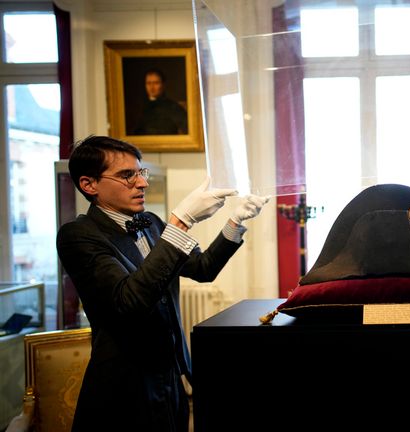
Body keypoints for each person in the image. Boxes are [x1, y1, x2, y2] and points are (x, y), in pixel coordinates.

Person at [57, 135, 269, 431]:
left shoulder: (152, 224)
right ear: (89, 184)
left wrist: (235, 222)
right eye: (126, 175)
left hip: (171, 375)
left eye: (140, 173)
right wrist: (181, 222)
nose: (142, 183)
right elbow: (128, 301)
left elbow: (203, 268)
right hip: (125, 385)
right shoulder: (78, 235)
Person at [133, 68, 188, 135]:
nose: (152, 87)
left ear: (163, 85)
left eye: (156, 83)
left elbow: (186, 128)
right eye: (148, 83)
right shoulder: (138, 108)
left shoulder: (173, 107)